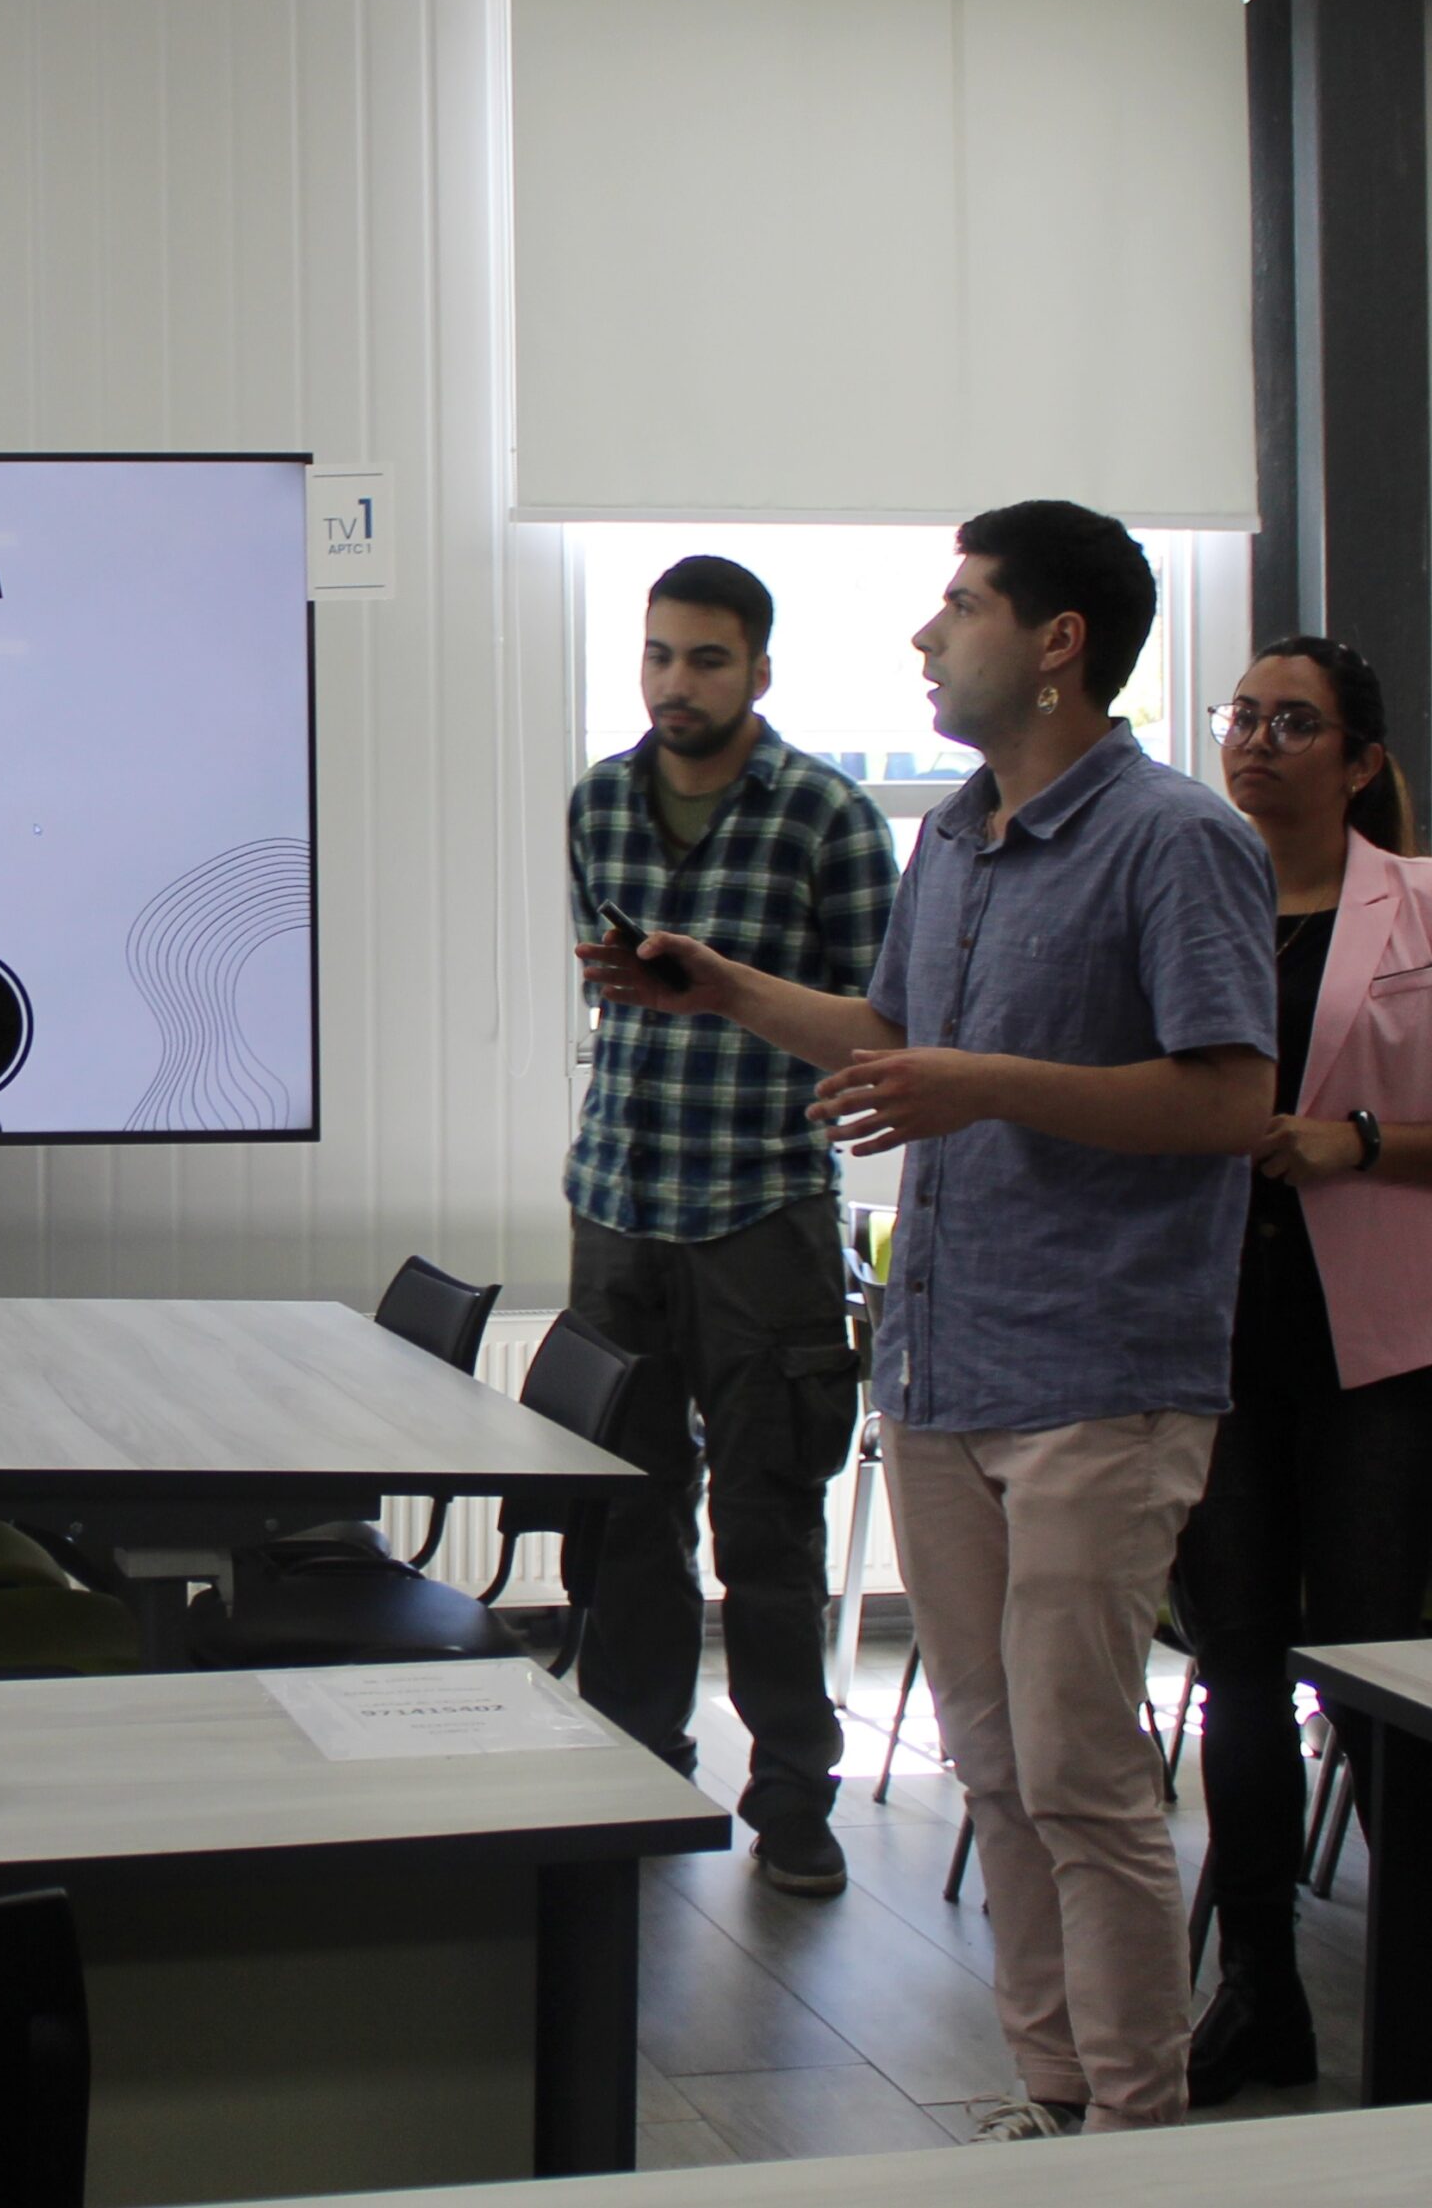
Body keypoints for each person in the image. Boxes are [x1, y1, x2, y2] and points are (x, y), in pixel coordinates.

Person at [580, 502, 1276, 2135]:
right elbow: (889, 1032)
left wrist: (980, 1086)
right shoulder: (959, 834)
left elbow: (1233, 1101)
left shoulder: (1175, 838)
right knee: (997, 1766)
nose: (924, 634)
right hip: (948, 1363)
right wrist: (724, 987)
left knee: (1085, 1774)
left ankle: (1137, 2131)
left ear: (1057, 644)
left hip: (1100, 1368)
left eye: (959, 605)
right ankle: (1054, 2093)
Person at [1174, 639, 1432, 2106]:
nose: (1255, 741)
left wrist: (1358, 1144)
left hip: (1379, 1345)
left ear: (1361, 760)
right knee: (1239, 1672)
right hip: (1213, 1330)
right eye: (1242, 715)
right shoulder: (1190, 896)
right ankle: (1262, 1992)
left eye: (1293, 723)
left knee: (1371, 1669)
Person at [564, 553, 896, 1899]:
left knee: (767, 1525)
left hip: (762, 1206)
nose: (676, 683)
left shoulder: (827, 816)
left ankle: (794, 1800)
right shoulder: (599, 800)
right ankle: (635, 1772)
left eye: (705, 659)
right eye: (658, 654)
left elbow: (884, 1026)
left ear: (759, 670)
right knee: (623, 1517)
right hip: (620, 1200)